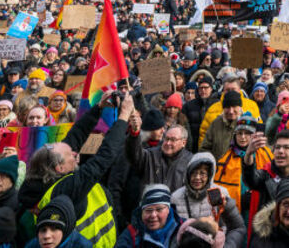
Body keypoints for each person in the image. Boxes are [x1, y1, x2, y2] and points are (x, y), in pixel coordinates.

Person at [20, 92, 133, 248]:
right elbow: (104, 156)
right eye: (69, 155)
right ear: (59, 167)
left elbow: (75, 136)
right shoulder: (64, 190)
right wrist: (124, 117)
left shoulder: (48, 173)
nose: (75, 152)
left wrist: (98, 108)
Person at [170, 153, 246, 248]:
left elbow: (227, 225)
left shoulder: (220, 193)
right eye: (194, 172)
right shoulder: (176, 197)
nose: (197, 177)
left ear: (210, 175)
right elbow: (173, 230)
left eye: (202, 173)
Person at [243, 129, 289, 216]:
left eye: (287, 147)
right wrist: (248, 154)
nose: (280, 151)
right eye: (277, 147)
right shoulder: (266, 175)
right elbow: (250, 179)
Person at [126, 123, 192, 192]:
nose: (168, 143)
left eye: (173, 140)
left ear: (183, 143)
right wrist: (134, 135)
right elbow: (134, 155)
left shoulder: (190, 161)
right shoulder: (150, 155)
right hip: (150, 201)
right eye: (166, 138)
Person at [115, 184, 180, 248]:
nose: (153, 215)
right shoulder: (132, 233)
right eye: (148, 210)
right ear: (142, 211)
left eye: (159, 209)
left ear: (168, 210)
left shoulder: (183, 228)